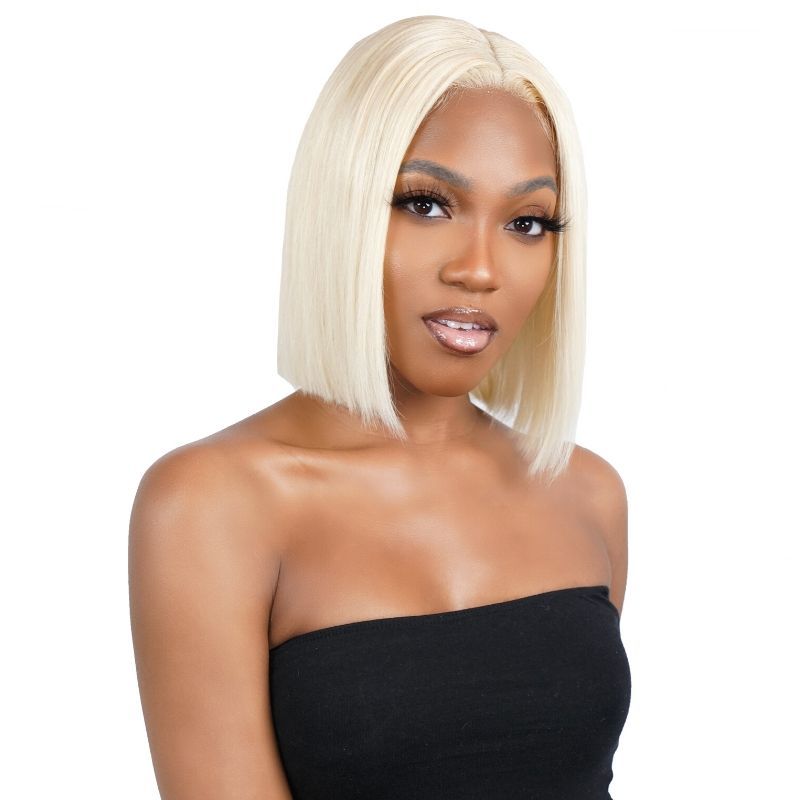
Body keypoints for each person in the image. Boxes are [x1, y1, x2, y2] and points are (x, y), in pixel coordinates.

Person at [129, 14, 631, 800]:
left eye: (527, 222)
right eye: (426, 204)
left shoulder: (585, 491)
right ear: (340, 211)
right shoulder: (212, 503)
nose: (480, 270)